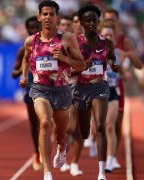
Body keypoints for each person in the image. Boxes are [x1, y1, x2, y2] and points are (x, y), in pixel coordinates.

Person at [19, 1, 86, 179]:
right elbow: (26, 59)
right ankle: (47, 171)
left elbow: (81, 64)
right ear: (39, 17)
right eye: (45, 14)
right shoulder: (30, 41)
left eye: (51, 14)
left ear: (57, 17)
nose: (48, 17)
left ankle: (62, 149)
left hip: (62, 90)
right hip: (40, 89)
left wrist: (64, 58)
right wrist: (25, 76)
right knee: (45, 123)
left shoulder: (67, 38)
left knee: (61, 136)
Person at [73, 4, 120, 180]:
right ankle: (85, 132)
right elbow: (67, 70)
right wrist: (79, 68)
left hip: (100, 87)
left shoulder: (107, 43)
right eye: (88, 21)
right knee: (84, 132)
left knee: (100, 126)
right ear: (83, 24)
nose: (92, 23)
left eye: (94, 20)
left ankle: (101, 172)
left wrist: (113, 65)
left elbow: (111, 59)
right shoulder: (75, 43)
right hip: (80, 89)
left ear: (99, 21)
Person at [103, 7, 143, 169]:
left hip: (116, 86)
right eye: (107, 19)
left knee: (115, 124)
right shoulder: (99, 40)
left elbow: (138, 66)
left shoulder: (124, 41)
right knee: (102, 125)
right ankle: (102, 151)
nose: (110, 22)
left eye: (113, 19)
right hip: (98, 88)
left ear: (117, 21)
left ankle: (112, 156)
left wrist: (131, 55)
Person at [11, 15, 42, 171]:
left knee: (46, 122)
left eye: (37, 27)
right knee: (34, 124)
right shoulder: (24, 49)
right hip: (30, 90)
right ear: (27, 29)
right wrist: (22, 71)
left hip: (48, 88)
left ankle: (46, 147)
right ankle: (37, 152)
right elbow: (14, 73)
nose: (34, 30)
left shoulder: (49, 46)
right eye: (31, 27)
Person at [59, 12, 85, 176]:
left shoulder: (84, 43)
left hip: (82, 89)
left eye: (74, 23)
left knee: (79, 129)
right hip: (62, 89)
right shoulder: (56, 43)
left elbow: (85, 65)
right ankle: (62, 155)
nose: (70, 26)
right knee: (67, 129)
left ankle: (75, 163)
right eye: (67, 24)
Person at [99, 19, 126, 172]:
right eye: (105, 34)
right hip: (98, 92)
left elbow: (121, 73)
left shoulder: (119, 53)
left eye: (110, 34)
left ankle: (110, 159)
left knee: (110, 126)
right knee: (100, 128)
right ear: (101, 36)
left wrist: (124, 74)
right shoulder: (94, 51)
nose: (108, 36)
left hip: (113, 91)